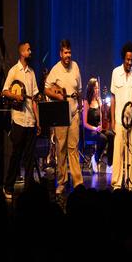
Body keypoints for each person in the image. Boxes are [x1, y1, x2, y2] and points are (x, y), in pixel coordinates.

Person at [2, 42, 41, 199]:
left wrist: (37, 121)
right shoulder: (14, 71)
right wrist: (16, 96)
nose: (30, 52)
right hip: (18, 120)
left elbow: (34, 99)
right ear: (21, 53)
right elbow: (5, 91)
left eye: (30, 49)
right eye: (28, 50)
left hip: (30, 120)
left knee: (30, 158)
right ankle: (8, 186)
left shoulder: (31, 73)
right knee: (16, 155)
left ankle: (29, 191)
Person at [44, 39, 83, 194]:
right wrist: (58, 96)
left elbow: (79, 88)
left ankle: (77, 182)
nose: (68, 55)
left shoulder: (75, 67)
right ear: (60, 53)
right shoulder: (55, 69)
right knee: (61, 149)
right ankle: (61, 182)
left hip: (74, 113)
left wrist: (79, 103)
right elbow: (46, 89)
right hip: (61, 114)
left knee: (73, 148)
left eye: (69, 52)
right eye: (65, 52)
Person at [110, 42, 132, 191]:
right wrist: (111, 120)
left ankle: (129, 184)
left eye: (131, 60)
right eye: (127, 59)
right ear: (123, 58)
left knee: (131, 152)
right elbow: (113, 98)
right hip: (118, 120)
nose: (129, 62)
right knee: (118, 153)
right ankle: (116, 184)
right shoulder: (115, 72)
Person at [82, 78, 114, 174]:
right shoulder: (86, 102)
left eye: (98, 88)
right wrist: (95, 128)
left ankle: (109, 164)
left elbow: (103, 117)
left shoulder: (99, 100)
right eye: (95, 88)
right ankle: (95, 158)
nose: (97, 90)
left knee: (111, 135)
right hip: (90, 131)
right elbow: (84, 123)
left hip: (99, 130)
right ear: (91, 89)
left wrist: (105, 108)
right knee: (103, 138)